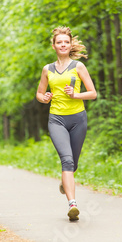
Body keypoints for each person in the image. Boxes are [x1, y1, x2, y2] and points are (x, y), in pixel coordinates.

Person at [36, 26, 97, 221]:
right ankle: (73, 204)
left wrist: (76, 94)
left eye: (66, 42)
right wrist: (44, 98)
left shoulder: (78, 66)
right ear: (54, 46)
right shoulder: (47, 69)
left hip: (78, 119)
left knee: (73, 163)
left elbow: (93, 93)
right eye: (59, 42)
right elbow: (39, 93)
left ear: (70, 45)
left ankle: (66, 180)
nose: (63, 45)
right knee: (67, 160)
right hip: (57, 120)